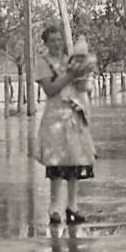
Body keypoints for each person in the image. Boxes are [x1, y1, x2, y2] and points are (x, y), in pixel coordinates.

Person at [33, 25, 97, 225]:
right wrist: (70, 75)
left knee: (74, 162)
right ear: (46, 42)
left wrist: (84, 74)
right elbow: (50, 89)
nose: (56, 44)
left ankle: (72, 206)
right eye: (52, 40)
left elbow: (83, 86)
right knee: (57, 164)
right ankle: (53, 208)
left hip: (73, 114)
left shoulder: (70, 59)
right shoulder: (43, 63)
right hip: (55, 117)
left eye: (59, 40)